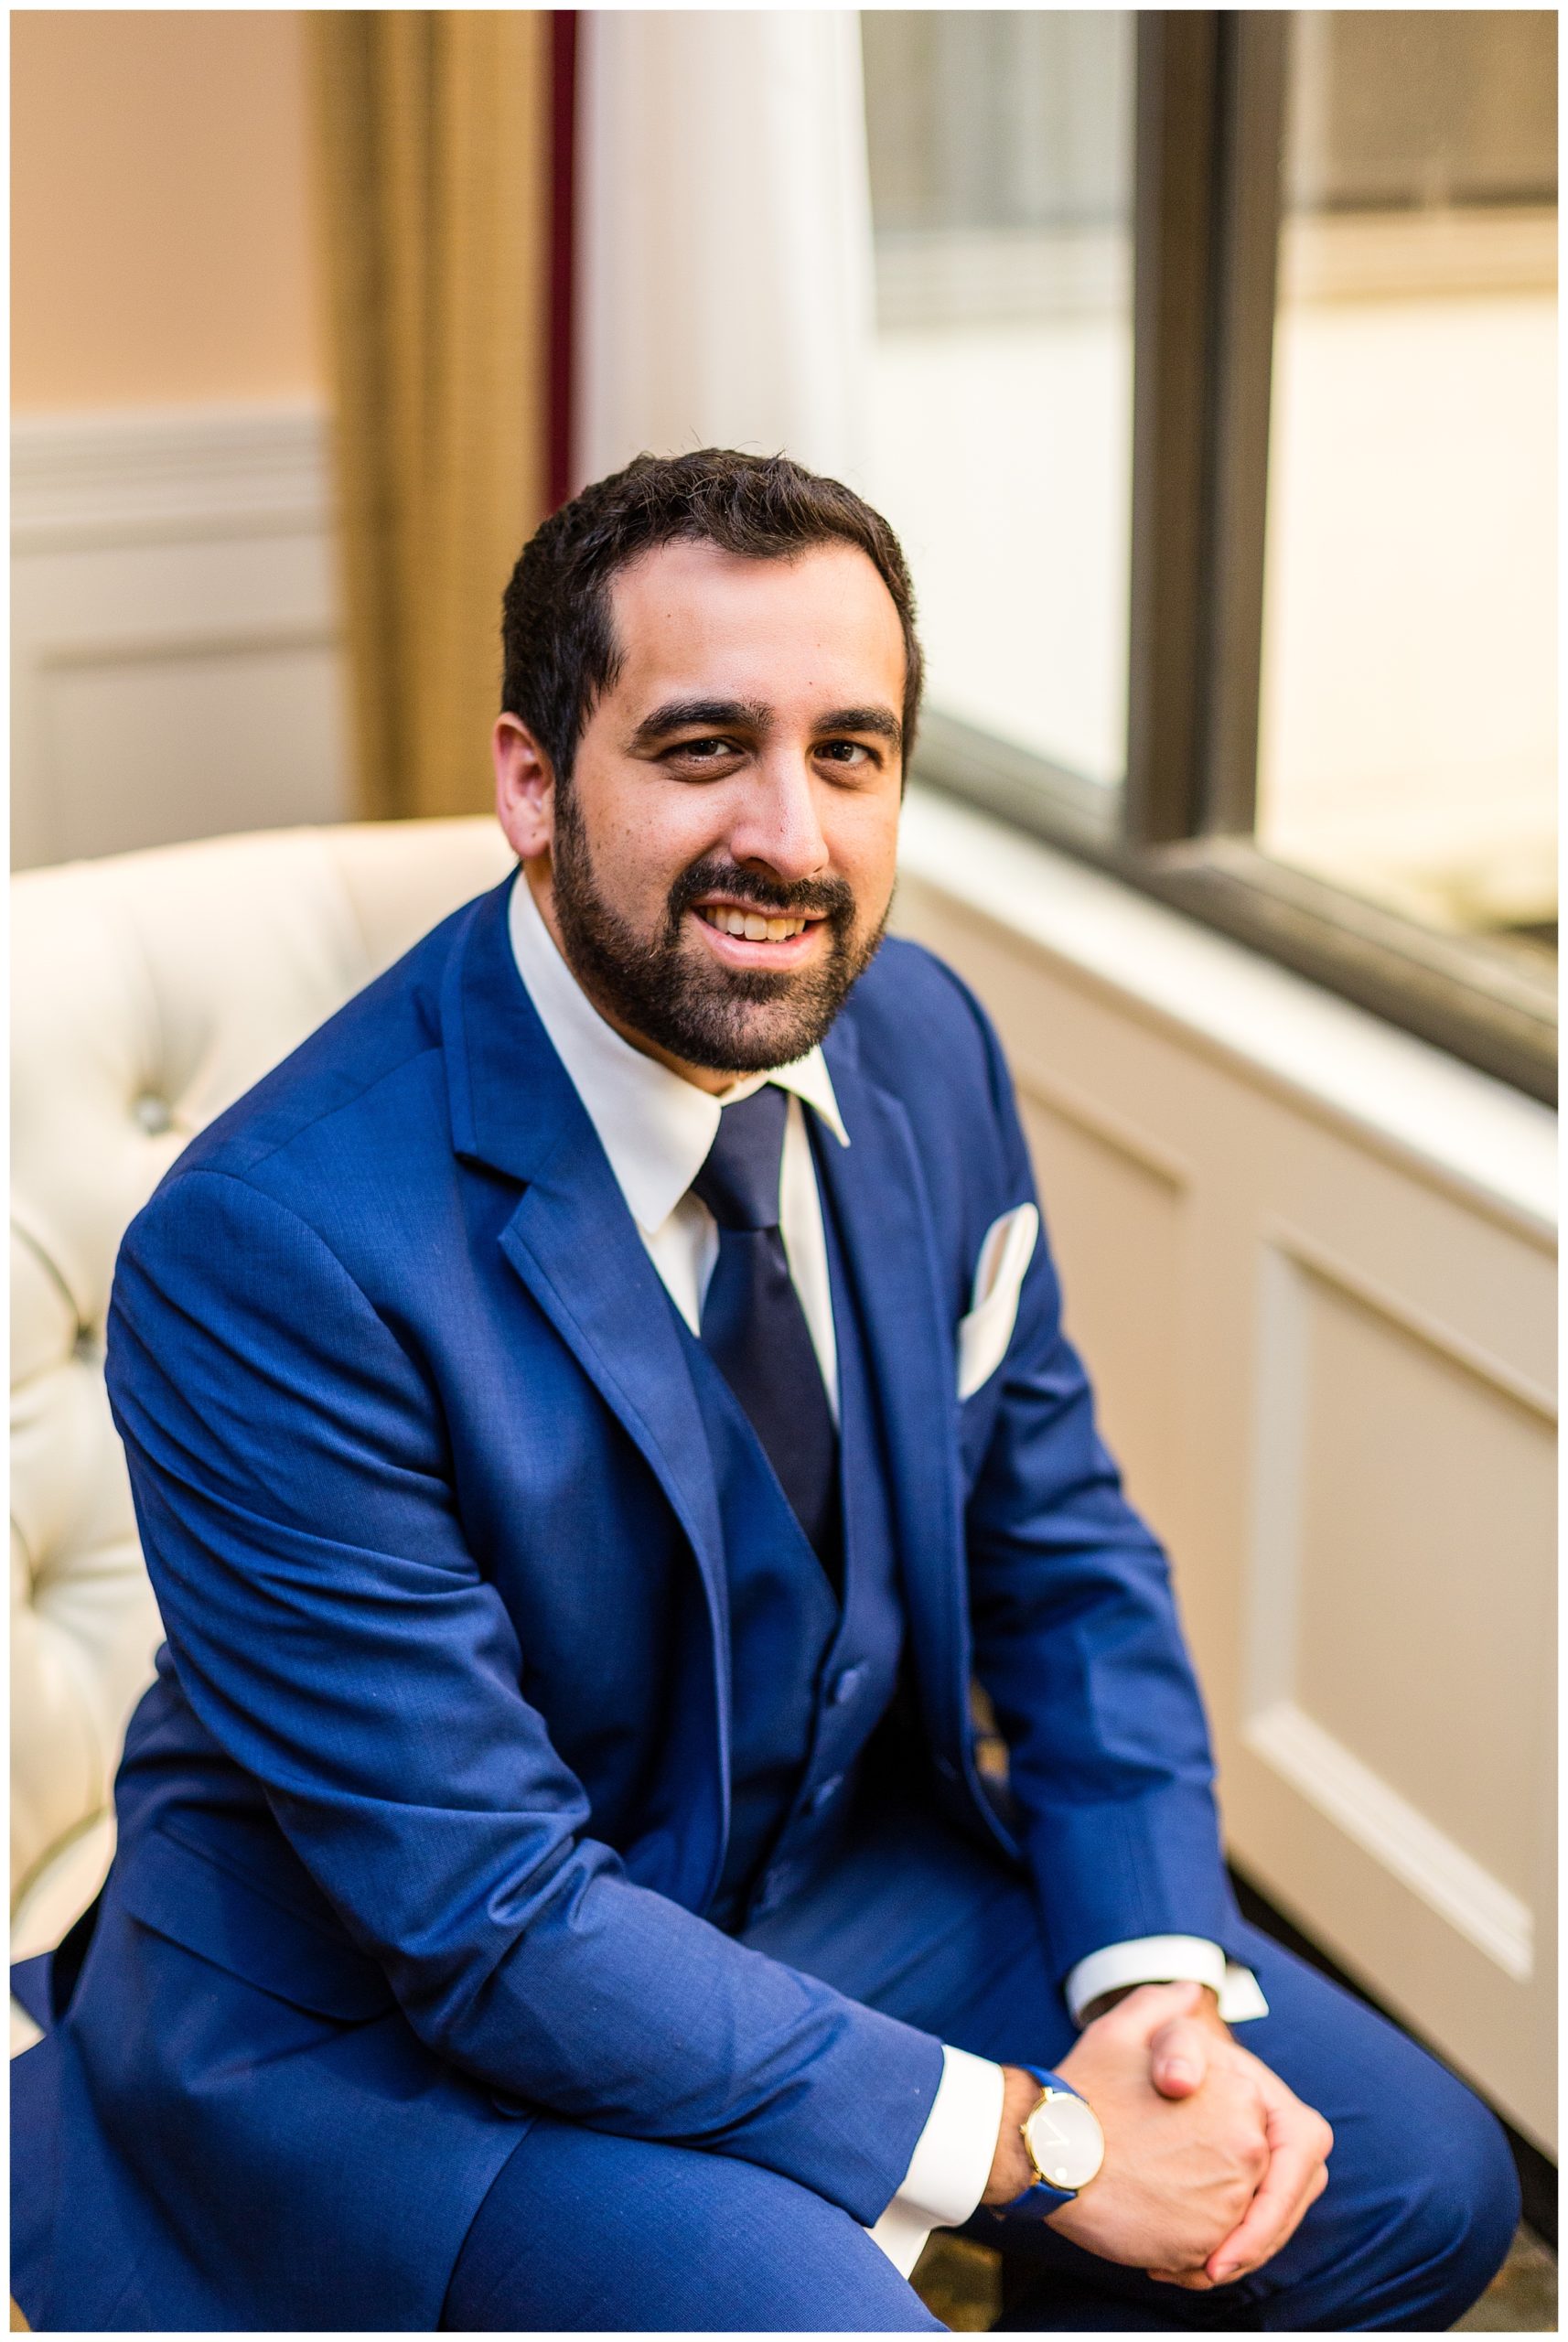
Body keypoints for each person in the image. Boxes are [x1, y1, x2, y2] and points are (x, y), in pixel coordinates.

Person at [11, 451, 1518, 2334]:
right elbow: (483, 1912)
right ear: (533, 781)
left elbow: (1059, 1553)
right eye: (704, 745)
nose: (789, 837)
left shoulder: (922, 1045)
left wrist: (1151, 1985)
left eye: (851, 752)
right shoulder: (271, 1245)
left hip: (820, 1877)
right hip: (393, 2013)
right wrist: (1037, 2143)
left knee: (1407, 2185)